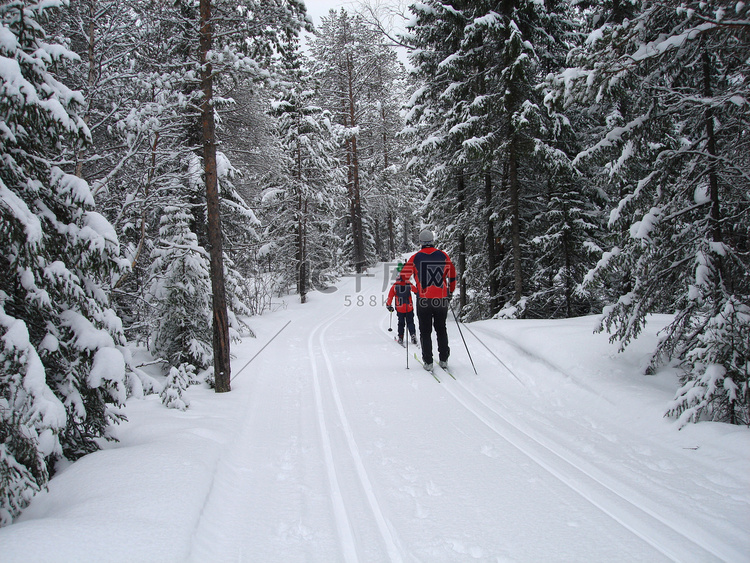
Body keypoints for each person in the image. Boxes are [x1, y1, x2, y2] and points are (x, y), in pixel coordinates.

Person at [399, 229, 456, 371]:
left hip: (423, 299)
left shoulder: (416, 258)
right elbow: (453, 276)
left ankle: (428, 361)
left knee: (425, 331)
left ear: (421, 242)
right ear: (432, 241)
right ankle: (443, 359)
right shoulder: (443, 256)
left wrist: (415, 289)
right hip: (441, 298)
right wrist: (450, 291)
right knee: (441, 328)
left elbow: (403, 278)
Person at [386, 265, 418, 346]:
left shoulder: (394, 286)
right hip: (409, 307)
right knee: (410, 322)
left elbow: (390, 297)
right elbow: (416, 291)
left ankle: (400, 337)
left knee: (401, 323)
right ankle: (413, 335)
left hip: (400, 308)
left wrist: (388, 305)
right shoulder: (408, 284)